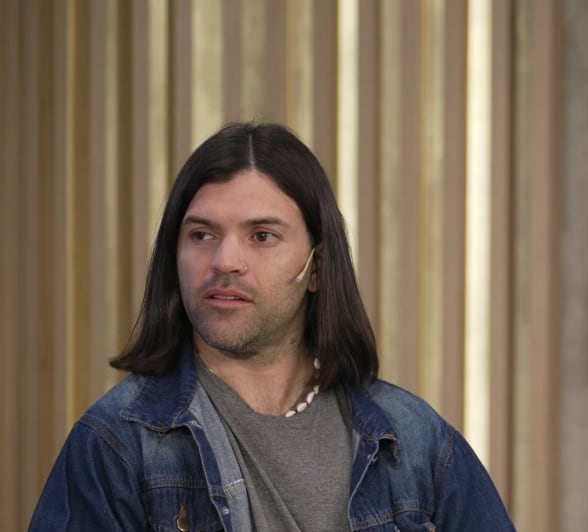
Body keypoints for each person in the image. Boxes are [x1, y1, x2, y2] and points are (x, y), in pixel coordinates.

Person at [29, 122, 516, 531]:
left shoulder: (413, 442)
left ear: (316, 267)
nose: (225, 260)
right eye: (202, 234)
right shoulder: (117, 443)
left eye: (262, 236)